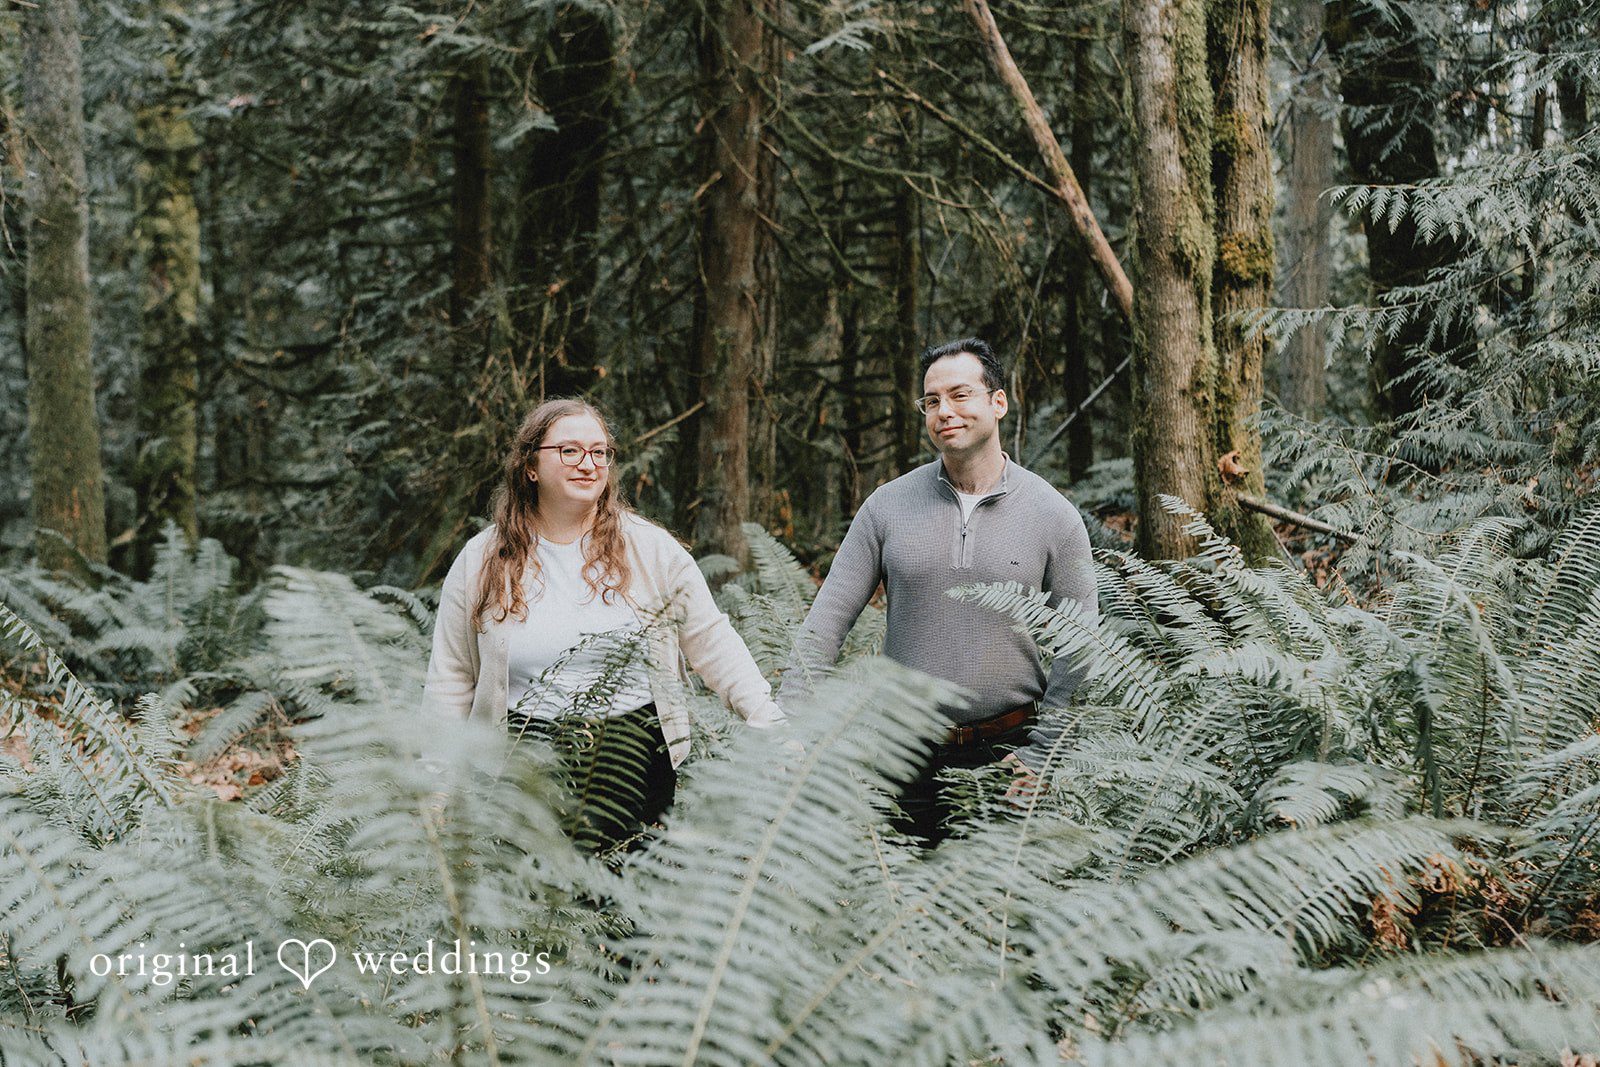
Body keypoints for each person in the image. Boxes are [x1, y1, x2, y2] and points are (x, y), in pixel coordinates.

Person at [420, 398, 783, 851]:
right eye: (569, 451)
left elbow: (711, 639)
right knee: (533, 910)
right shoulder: (482, 560)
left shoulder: (651, 551)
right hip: (521, 764)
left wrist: (766, 718)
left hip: (635, 761)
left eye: (599, 452)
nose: (588, 464)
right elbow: (451, 677)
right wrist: (436, 783)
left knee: (624, 913)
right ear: (531, 465)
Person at [779, 338, 1097, 845]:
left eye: (959, 395)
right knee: (906, 915)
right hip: (902, 755)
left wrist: (1045, 751)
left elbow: (1082, 643)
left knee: (999, 918)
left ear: (998, 402)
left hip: (1010, 754)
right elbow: (828, 619)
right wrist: (790, 720)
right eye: (931, 401)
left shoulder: (1053, 514)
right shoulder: (886, 507)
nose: (943, 411)